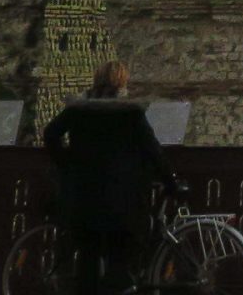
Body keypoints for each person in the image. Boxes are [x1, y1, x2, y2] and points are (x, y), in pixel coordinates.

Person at [41, 62, 182, 295]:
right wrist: (171, 181)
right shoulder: (129, 112)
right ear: (121, 82)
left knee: (87, 259)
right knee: (119, 260)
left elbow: (51, 133)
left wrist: (66, 162)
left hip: (83, 196)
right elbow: (153, 150)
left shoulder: (79, 109)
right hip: (120, 199)